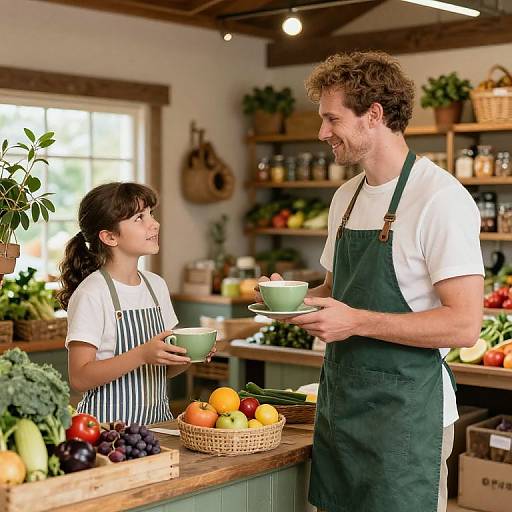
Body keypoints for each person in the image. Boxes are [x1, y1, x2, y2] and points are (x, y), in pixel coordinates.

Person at [257, 51, 484, 512]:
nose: (322, 132)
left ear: (374, 115)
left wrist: (355, 322)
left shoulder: (440, 199)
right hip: (343, 410)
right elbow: (336, 292)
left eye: (331, 118)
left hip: (406, 418)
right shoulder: (346, 197)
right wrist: (291, 300)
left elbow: (464, 325)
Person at [59, 182, 214, 425]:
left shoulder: (156, 286)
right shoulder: (92, 294)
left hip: (157, 427)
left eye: (151, 213)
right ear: (109, 237)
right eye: (139, 218)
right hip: (105, 432)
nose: (154, 223)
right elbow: (79, 377)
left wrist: (189, 356)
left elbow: (165, 368)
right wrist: (141, 355)